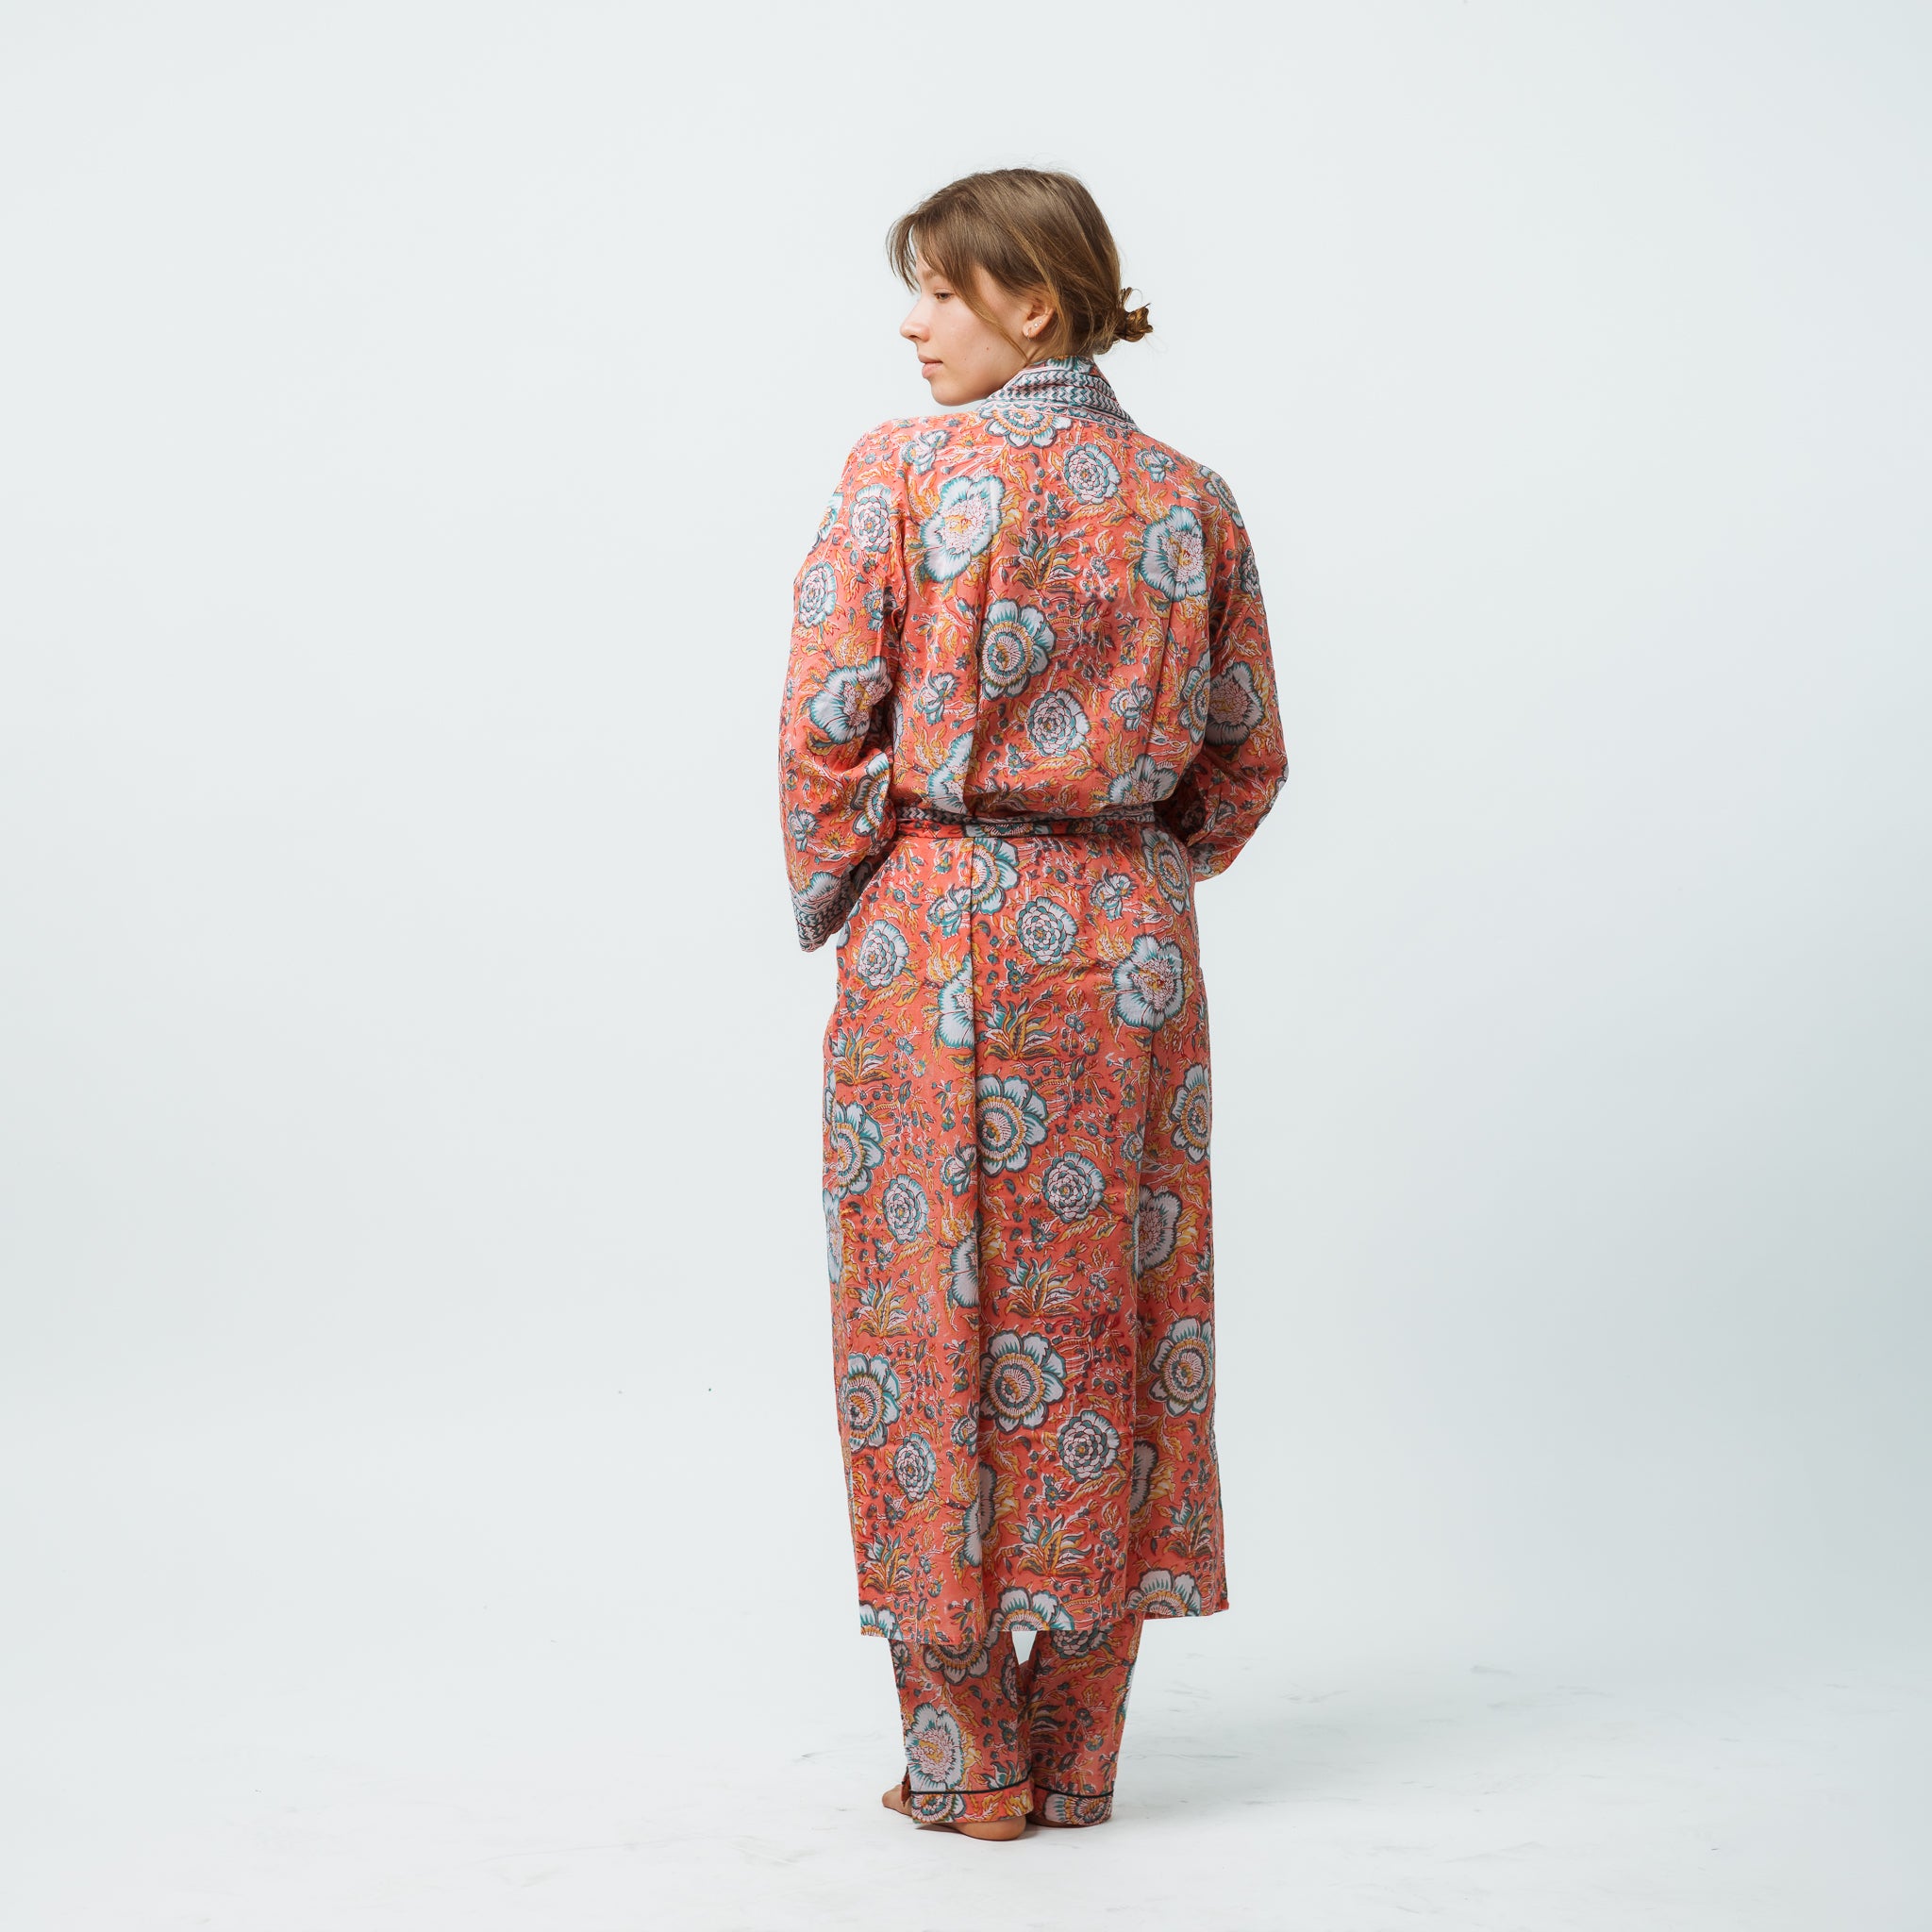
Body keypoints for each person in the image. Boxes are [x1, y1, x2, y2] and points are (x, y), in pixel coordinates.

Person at [776, 168, 1288, 1841]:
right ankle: (1080, 1758)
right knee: (1110, 1320)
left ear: (1032, 305)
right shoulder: (1189, 499)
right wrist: (1127, 864)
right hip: (1127, 947)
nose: (912, 322)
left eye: (938, 289)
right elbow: (1247, 754)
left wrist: (881, 880)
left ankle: (966, 1765)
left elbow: (824, 726)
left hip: (935, 945)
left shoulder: (901, 475)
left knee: (931, 1319)